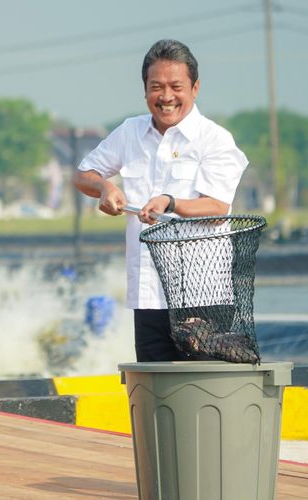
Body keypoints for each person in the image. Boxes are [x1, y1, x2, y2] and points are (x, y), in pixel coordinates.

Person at [73, 39, 248, 362]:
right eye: (156, 87)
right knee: (155, 392)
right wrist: (104, 189)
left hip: (202, 297)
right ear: (145, 91)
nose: (166, 97)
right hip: (147, 295)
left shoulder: (215, 139)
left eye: (176, 86)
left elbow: (217, 207)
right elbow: (83, 174)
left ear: (194, 88)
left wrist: (170, 202)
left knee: (202, 395)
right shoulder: (129, 132)